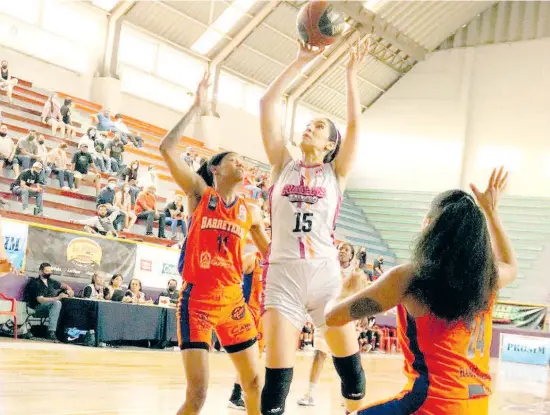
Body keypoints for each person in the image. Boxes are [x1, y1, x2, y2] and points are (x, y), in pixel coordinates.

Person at [326, 167, 517, 415]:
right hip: (476, 405)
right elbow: (510, 265)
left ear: (429, 226)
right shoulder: (487, 279)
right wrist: (492, 212)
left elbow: (333, 318)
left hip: (430, 403)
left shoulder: (409, 278)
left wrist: (346, 291)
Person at [258, 39, 370, 414]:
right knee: (276, 385)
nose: (309, 128)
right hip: (282, 275)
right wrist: (299, 62)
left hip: (325, 276)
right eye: (308, 124)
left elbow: (356, 124)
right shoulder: (281, 164)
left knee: (352, 377)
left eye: (318, 127)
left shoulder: (336, 173)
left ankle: (352, 407)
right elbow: (267, 104)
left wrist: (351, 76)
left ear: (330, 144)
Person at [160, 72, 269, 415]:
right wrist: (195, 107)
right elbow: (166, 148)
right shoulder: (199, 194)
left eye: (244, 161)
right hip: (198, 302)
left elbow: (270, 253)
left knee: (253, 384)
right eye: (235, 159)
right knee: (198, 395)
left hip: (233, 300)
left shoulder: (250, 211)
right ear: (216, 168)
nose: (243, 164)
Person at [297, 242, 361, 407]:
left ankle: (345, 396)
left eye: (346, 250)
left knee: (344, 361)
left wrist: (360, 321)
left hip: (346, 321)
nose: (342, 251)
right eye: (340, 249)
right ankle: (310, 393)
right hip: (326, 317)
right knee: (319, 355)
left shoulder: (356, 274)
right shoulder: (329, 269)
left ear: (351, 255)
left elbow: (360, 298)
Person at [228, 251, 266, 410]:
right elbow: (230, 273)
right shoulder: (253, 258)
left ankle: (237, 396)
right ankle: (238, 395)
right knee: (248, 360)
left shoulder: (276, 262)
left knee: (255, 360)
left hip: (263, 316)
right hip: (248, 313)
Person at [24, 262, 74, 341]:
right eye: (46, 271)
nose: (49, 273)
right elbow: (41, 300)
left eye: (50, 271)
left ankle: (64, 332)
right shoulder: (35, 283)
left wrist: (69, 289)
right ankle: (51, 332)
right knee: (57, 303)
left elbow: (63, 285)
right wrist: (57, 298)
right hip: (37, 308)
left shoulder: (51, 281)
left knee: (65, 304)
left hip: (50, 307)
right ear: (40, 271)